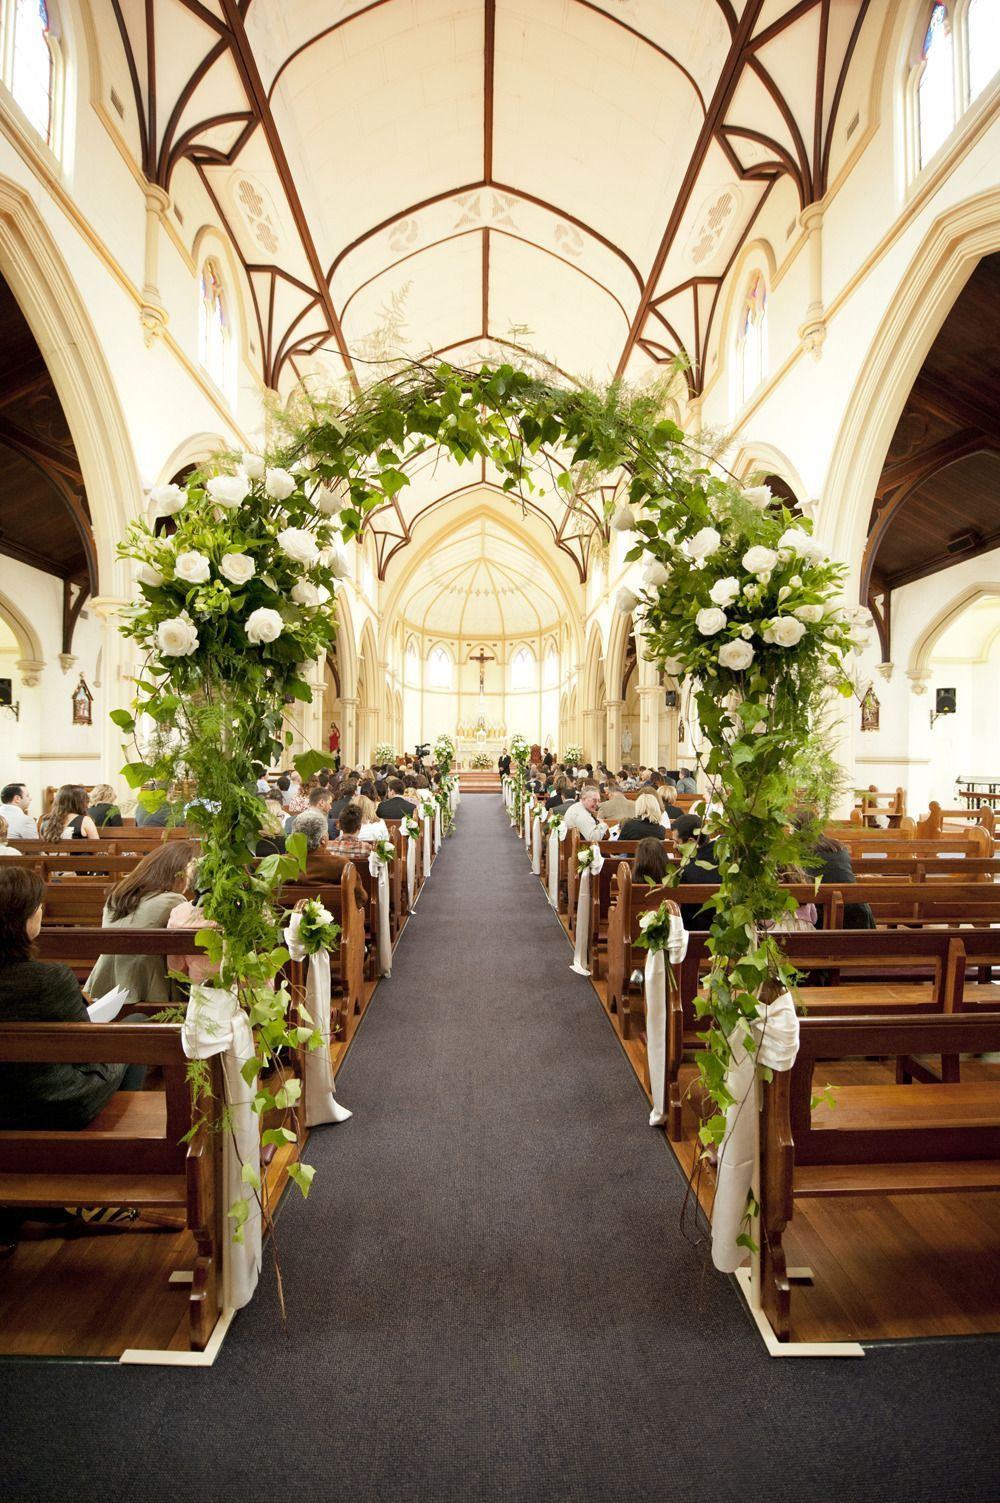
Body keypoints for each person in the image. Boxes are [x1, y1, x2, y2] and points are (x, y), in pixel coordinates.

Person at [0, 866, 142, 1130]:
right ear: (21, 919)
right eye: (37, 906)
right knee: (136, 1030)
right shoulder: (49, 979)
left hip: (6, 1098)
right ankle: (116, 1131)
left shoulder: (45, 978)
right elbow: (87, 1050)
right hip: (54, 1101)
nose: (41, 910)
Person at [84, 842, 196, 1004]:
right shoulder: (173, 901)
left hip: (108, 978)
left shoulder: (118, 895)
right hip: (145, 984)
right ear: (176, 872)